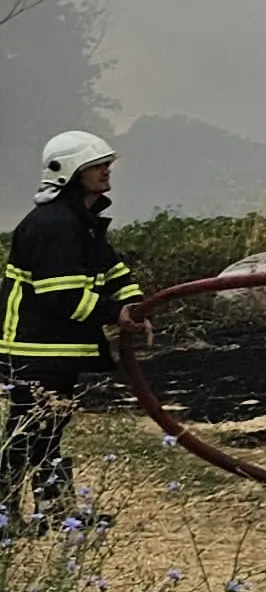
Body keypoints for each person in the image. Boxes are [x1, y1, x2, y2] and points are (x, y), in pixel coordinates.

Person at [1, 132, 143, 529]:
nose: (106, 170)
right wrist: (115, 313)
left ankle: (57, 513)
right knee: (27, 433)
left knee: (48, 433)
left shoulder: (82, 221)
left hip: (56, 346)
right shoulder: (54, 225)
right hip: (35, 346)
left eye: (105, 163)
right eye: (97, 165)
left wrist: (137, 303)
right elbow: (61, 295)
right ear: (70, 171)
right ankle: (5, 517)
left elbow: (111, 269)